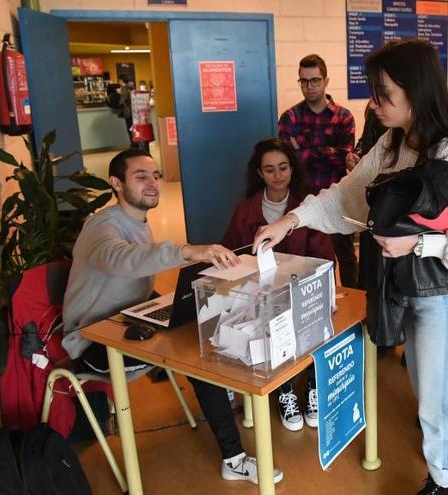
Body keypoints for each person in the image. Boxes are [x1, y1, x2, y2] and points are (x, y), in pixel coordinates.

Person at [254, 39, 448, 495]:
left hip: (446, 292)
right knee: (430, 387)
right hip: (408, 286)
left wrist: (423, 244)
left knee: (437, 398)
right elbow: (346, 194)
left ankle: (446, 483)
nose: (374, 103)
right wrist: (290, 221)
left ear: (416, 92)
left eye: (383, 93)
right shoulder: (392, 145)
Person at [61, 148, 283, 485]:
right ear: (116, 184)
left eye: (155, 175)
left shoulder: (137, 221)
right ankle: (234, 458)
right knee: (198, 356)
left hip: (129, 318)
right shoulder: (100, 226)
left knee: (204, 332)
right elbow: (122, 260)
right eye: (140, 177)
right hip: (93, 339)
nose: (152, 183)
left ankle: (226, 414)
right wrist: (187, 251)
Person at [219, 138, 335, 431]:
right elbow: (231, 251)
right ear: (260, 174)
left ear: (292, 169)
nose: (278, 175)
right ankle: (283, 391)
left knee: (315, 326)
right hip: (262, 293)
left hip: (304, 288)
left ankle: (313, 386)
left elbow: (323, 257)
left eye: (283, 167)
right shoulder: (246, 209)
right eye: (269, 169)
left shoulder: (307, 207)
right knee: (265, 323)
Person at [278, 54, 358, 289]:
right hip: (302, 200)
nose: (309, 86)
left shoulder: (344, 117)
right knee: (310, 258)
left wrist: (307, 151)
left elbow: (346, 155)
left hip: (337, 199)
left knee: (345, 256)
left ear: (326, 80)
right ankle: (320, 303)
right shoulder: (289, 117)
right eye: (303, 81)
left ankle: (352, 302)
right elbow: (293, 160)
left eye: (315, 80)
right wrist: (330, 153)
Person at [117, 75, 133, 145]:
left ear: (121, 80)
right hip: (133, 111)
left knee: (129, 128)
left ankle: (133, 144)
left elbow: (122, 100)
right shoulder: (131, 87)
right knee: (133, 128)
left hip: (128, 111)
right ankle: (135, 143)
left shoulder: (124, 89)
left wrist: (119, 94)